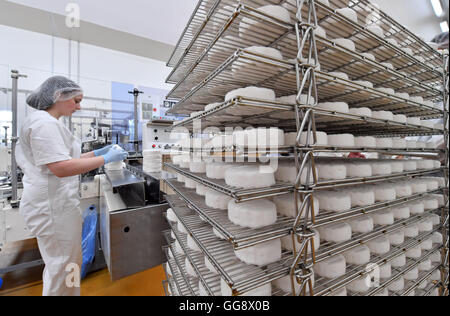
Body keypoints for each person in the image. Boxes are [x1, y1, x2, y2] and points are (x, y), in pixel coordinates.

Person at [15, 76, 128, 296]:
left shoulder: (47, 122)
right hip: (52, 207)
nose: (79, 106)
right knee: (63, 266)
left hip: (57, 205)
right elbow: (61, 167)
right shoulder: (43, 123)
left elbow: (64, 157)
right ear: (58, 96)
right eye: (76, 101)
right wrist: (105, 159)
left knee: (67, 262)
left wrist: (98, 153)